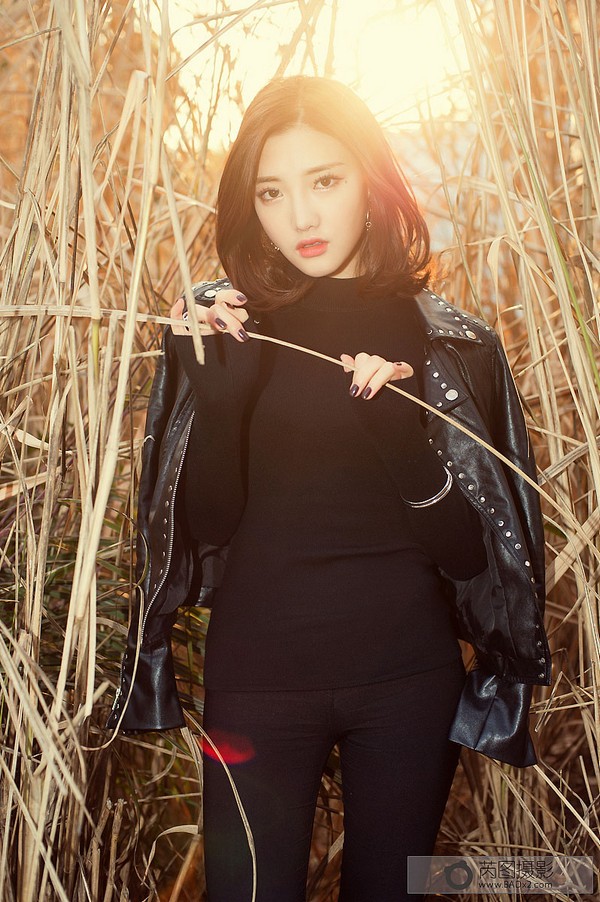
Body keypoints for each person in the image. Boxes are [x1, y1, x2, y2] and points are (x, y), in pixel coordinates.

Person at [107, 76, 552, 901]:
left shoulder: (453, 344)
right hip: (256, 682)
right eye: (272, 192)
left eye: (325, 180)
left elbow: (468, 555)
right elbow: (208, 524)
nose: (301, 217)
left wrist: (402, 439)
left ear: (370, 181)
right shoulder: (221, 328)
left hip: (409, 683)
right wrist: (221, 400)